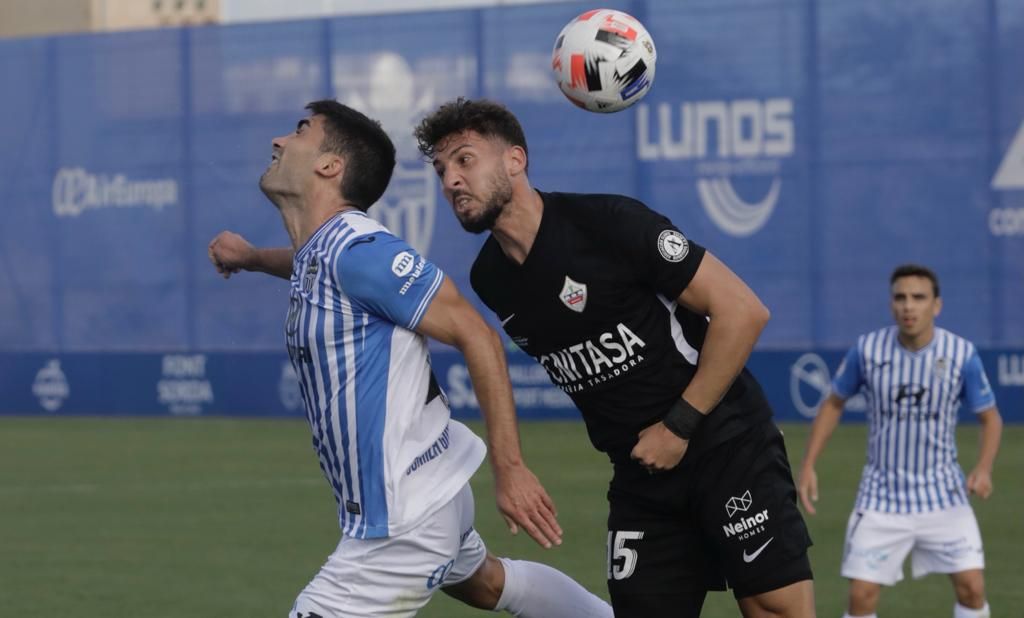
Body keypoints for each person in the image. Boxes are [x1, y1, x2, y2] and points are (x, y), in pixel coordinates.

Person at [412, 97, 816, 618]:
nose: (450, 181)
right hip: (640, 474)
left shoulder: (608, 222)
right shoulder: (490, 279)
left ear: (515, 160)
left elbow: (742, 312)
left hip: (725, 444)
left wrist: (679, 426)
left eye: (465, 160)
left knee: (776, 608)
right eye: (442, 170)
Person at [207, 99, 612, 618]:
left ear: (331, 166)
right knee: (489, 584)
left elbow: (478, 337)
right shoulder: (327, 252)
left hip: (405, 519)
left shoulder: (361, 250)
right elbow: (316, 269)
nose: (279, 141)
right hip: (429, 493)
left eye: (300, 131)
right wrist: (253, 259)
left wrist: (510, 469)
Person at [798, 264, 1002, 618]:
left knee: (972, 588)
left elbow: (990, 417)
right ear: (892, 304)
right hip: (881, 497)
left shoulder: (961, 354)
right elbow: (833, 403)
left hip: (943, 494)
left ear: (936, 305)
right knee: (861, 597)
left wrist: (983, 468)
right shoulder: (868, 350)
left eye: (918, 298)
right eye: (901, 298)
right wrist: (809, 464)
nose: (909, 306)